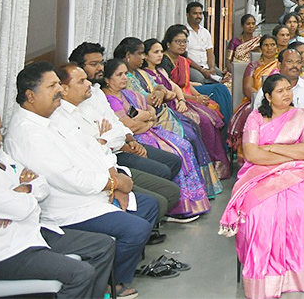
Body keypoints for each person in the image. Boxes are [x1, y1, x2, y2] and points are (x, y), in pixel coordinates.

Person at [6, 62, 158, 298]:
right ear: (30, 96)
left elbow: (92, 145)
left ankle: (114, 275)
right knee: (136, 229)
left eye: (59, 84)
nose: (59, 90)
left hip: (95, 190)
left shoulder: (54, 115)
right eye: (53, 86)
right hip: (68, 205)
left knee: (149, 206)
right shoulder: (28, 133)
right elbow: (66, 177)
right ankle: (111, 285)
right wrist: (112, 185)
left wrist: (113, 176)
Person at [0, 104, 117, 299]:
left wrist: (23, 191)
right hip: (2, 253)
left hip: (31, 232)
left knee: (103, 245)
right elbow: (21, 208)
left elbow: (41, 185)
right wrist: (21, 196)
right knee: (81, 274)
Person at [221, 74, 304, 298]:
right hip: (259, 175)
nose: (287, 94)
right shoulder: (255, 118)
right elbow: (251, 153)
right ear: (267, 96)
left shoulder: (301, 117)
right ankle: (263, 279)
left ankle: (293, 276)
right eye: (280, 91)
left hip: (295, 175)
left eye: (288, 89)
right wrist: (288, 154)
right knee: (260, 212)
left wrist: (271, 148)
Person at [54, 63, 184, 225]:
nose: (89, 84)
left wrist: (118, 139)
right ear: (64, 89)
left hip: (113, 159)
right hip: (103, 171)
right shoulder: (60, 118)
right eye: (82, 81)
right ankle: (142, 229)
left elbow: (115, 128)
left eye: (87, 80)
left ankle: (146, 226)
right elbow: (96, 150)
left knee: (172, 172)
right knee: (159, 200)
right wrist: (114, 180)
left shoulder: (86, 106)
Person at [98, 59, 211, 219]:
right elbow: (130, 126)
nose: (124, 78)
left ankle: (192, 202)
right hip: (135, 140)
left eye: (125, 74)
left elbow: (150, 106)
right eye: (119, 75)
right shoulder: (110, 100)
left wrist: (148, 115)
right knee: (175, 151)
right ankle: (177, 207)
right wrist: (149, 120)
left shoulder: (126, 94)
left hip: (147, 131)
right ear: (107, 80)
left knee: (184, 145)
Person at [69, 42, 185, 186]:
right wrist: (121, 142)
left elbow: (115, 124)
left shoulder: (97, 91)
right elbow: (98, 138)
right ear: (79, 67)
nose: (100, 68)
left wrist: (130, 140)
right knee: (163, 172)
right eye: (94, 64)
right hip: (112, 155)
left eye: (101, 63)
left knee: (174, 160)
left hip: (125, 143)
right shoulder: (75, 101)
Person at [146, 35, 230, 179]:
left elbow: (176, 88)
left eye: (160, 52)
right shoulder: (145, 74)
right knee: (202, 122)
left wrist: (184, 99)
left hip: (179, 102)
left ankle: (218, 166)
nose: (160, 55)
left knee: (211, 115)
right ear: (144, 56)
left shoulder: (161, 71)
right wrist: (177, 97)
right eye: (156, 52)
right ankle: (201, 174)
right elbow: (169, 91)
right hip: (167, 110)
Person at [254, 48, 304, 114]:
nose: (295, 65)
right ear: (279, 65)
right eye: (290, 62)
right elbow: (256, 120)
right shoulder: (266, 90)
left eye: (298, 62)